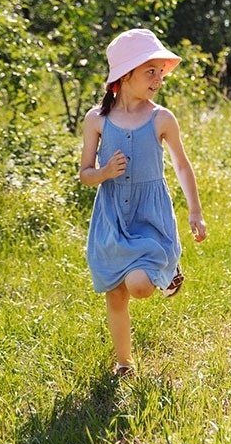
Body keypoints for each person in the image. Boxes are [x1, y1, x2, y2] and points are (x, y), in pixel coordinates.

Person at [79, 28, 207, 376]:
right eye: (150, 70)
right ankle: (124, 364)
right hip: (111, 216)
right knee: (115, 294)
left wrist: (195, 212)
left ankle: (168, 269)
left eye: (160, 71)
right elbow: (85, 174)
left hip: (149, 217)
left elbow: (181, 164)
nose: (159, 78)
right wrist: (105, 172)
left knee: (138, 286)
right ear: (126, 74)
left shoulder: (161, 118)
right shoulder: (97, 119)